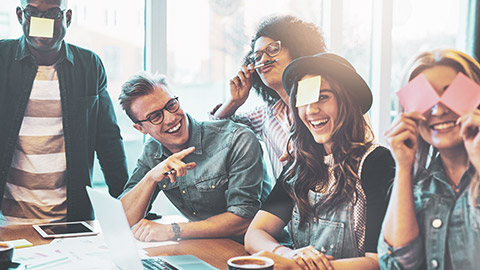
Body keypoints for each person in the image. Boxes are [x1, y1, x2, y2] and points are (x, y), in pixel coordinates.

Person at [244, 53, 395, 270]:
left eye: (323, 97)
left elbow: (378, 261)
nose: (312, 110)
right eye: (304, 101)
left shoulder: (377, 162)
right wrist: (289, 255)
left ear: (347, 101)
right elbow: (255, 234)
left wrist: (299, 268)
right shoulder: (299, 166)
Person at [0, 0, 128, 224]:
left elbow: (108, 141)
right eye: (33, 13)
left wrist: (127, 204)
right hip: (7, 223)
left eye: (52, 14)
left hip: (71, 221)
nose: (43, 23)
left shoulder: (89, 65)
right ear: (20, 15)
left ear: (67, 18)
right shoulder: (2, 59)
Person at [118, 72, 271, 242]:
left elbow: (243, 221)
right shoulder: (153, 151)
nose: (170, 118)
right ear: (140, 129)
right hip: (205, 248)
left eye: (171, 105)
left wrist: (173, 231)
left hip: (256, 253)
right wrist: (151, 177)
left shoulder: (236, 139)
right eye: (155, 116)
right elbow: (122, 219)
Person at [379, 49, 480, 269]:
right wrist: (403, 167)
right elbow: (397, 265)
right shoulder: (416, 188)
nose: (438, 109)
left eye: (450, 94)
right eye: (426, 98)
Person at [210, 15, 327, 178]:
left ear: (297, 49)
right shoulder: (266, 117)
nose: (264, 60)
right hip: (292, 203)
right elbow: (215, 135)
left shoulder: (328, 100)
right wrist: (234, 102)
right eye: (257, 57)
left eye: (273, 49)